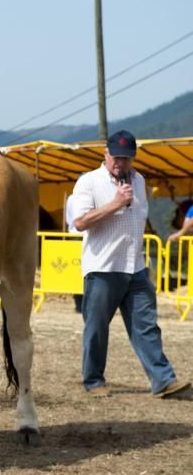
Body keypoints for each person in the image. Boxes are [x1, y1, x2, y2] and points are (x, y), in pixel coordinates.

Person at [72, 130, 190, 399]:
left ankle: (163, 380)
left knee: (146, 325)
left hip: (135, 267)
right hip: (103, 267)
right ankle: (93, 380)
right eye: (116, 157)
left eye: (126, 158)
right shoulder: (89, 182)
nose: (120, 163)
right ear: (106, 153)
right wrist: (115, 204)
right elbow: (80, 223)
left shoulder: (139, 181)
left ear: (133, 158)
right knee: (97, 327)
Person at [64, 193, 84, 314]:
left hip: (74, 235)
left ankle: (78, 304)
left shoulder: (71, 198)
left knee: (76, 270)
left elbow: (68, 218)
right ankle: (80, 303)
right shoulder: (79, 198)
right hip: (83, 236)